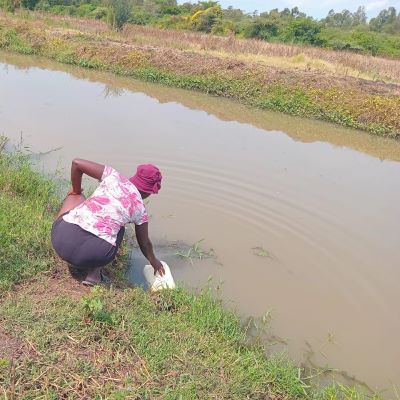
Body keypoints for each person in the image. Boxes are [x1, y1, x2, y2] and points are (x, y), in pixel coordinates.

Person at [51, 158, 165, 286]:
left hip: (60, 241)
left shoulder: (113, 176)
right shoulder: (140, 210)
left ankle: (69, 222)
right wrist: (153, 261)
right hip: (89, 256)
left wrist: (76, 190)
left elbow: (76, 163)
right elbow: (144, 243)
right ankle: (93, 276)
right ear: (149, 191)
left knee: (76, 196)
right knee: (119, 229)